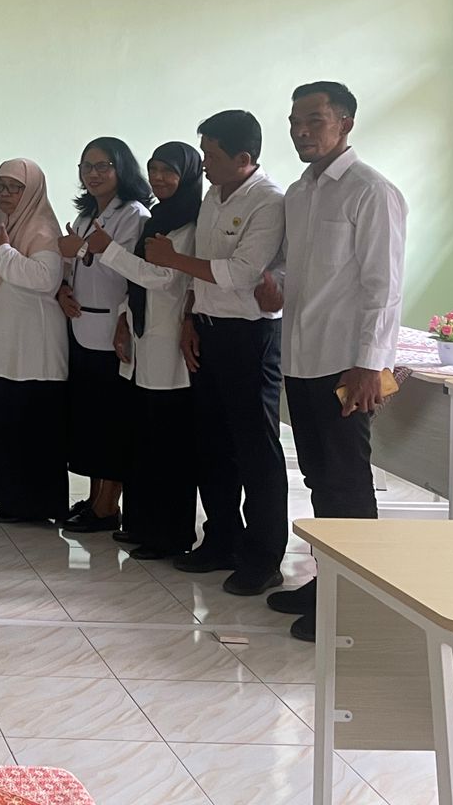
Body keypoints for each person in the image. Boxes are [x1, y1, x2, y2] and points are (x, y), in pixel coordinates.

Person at [266, 82, 406, 642]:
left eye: (315, 120)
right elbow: (294, 268)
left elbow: (384, 286)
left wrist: (370, 364)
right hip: (302, 356)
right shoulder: (299, 193)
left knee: (346, 481)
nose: (302, 131)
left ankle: (356, 603)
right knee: (319, 479)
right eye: (294, 121)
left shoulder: (371, 191)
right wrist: (274, 283)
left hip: (346, 364)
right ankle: (328, 583)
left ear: (345, 123)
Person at [144, 110, 287, 597]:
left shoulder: (268, 201)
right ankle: (222, 538)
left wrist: (173, 259)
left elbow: (242, 272)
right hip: (207, 329)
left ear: (243, 157)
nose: (203, 162)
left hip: (250, 336)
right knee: (213, 444)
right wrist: (189, 319)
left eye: (211, 154)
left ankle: (264, 556)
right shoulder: (213, 194)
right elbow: (202, 274)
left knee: (255, 449)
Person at [87, 142, 204, 560]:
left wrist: (108, 250)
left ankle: (170, 535)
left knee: (169, 447)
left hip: (168, 345)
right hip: (143, 338)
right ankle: (141, 524)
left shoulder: (190, 223)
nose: (159, 178)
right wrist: (122, 316)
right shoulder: (159, 218)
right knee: (145, 440)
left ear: (187, 176)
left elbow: (162, 278)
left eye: (168, 171)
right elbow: (136, 281)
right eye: (154, 170)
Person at [0, 158, 69, 524]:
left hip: (34, 346)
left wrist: (4, 251)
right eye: (0, 186)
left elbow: (45, 278)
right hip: (4, 343)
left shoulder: (42, 228)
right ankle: (8, 497)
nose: (6, 194)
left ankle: (34, 504)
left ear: (33, 190)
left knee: (31, 424)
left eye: (15, 187)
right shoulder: (2, 223)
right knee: (6, 420)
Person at [58, 138, 152, 534]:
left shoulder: (134, 215)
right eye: (87, 167)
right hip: (81, 326)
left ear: (121, 169)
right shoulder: (84, 216)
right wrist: (62, 290)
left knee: (113, 422)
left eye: (103, 166)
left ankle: (108, 505)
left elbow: (129, 271)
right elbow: (72, 266)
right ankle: (95, 497)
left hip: (115, 329)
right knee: (90, 421)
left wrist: (82, 251)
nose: (93, 174)